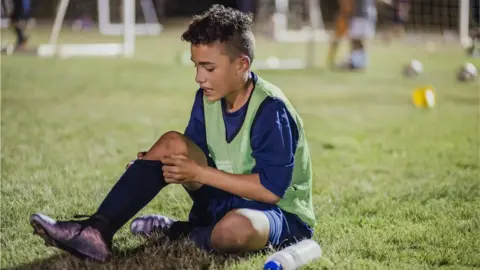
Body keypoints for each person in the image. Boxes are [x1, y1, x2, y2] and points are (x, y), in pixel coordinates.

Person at [30, 5, 316, 263]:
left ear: (242, 65)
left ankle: (179, 232)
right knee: (171, 143)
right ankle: (95, 232)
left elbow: (270, 190)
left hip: (277, 215)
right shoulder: (208, 97)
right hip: (227, 197)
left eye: (209, 67)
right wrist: (150, 169)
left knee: (235, 230)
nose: (199, 77)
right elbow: (191, 150)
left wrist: (198, 173)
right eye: (196, 66)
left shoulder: (270, 108)